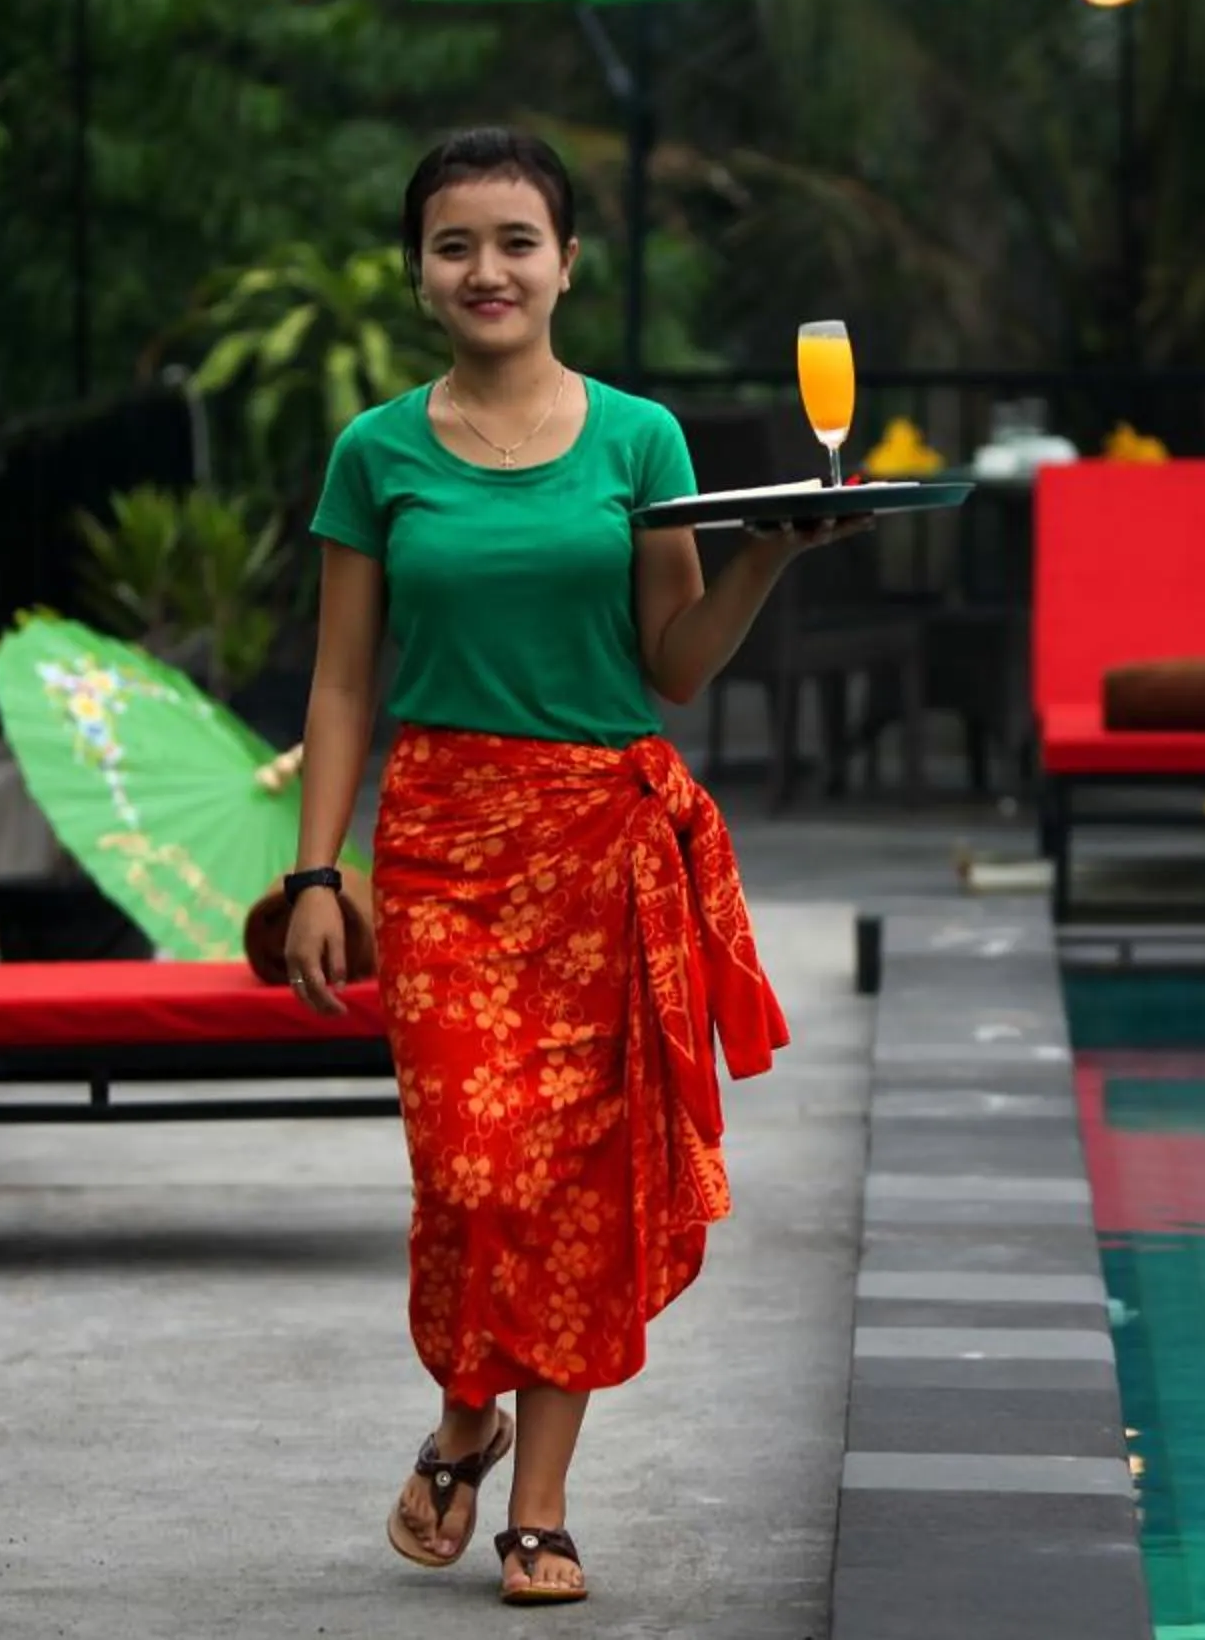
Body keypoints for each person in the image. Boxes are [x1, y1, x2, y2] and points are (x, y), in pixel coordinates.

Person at [279, 126, 867, 1607]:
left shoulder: (639, 441)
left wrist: (767, 558)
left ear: (567, 264)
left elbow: (672, 663)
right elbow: (344, 684)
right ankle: (463, 1416)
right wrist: (312, 875)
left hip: (600, 842)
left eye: (516, 241)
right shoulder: (377, 451)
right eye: (456, 242)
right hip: (443, 845)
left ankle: (535, 1500)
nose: (487, 268)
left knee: (578, 1190)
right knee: (474, 1167)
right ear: (420, 269)